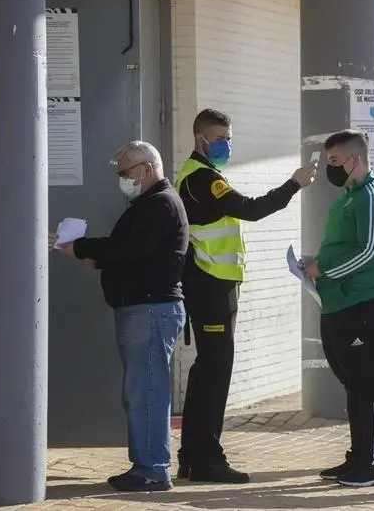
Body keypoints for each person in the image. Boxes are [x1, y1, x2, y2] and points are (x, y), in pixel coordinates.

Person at [174, 108, 317, 483]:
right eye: (219, 138)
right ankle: (206, 460)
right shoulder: (203, 179)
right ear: (199, 139)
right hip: (211, 287)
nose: (226, 144)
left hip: (212, 286)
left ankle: (192, 457)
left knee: (206, 372)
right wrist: (294, 183)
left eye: (228, 137)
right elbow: (250, 210)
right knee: (214, 374)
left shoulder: (199, 175)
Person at [51, 141, 189, 492]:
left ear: (146, 169)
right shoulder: (150, 204)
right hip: (144, 309)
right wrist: (98, 257)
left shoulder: (159, 204)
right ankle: (146, 465)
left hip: (150, 310)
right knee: (141, 391)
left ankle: (154, 469)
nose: (122, 178)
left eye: (125, 172)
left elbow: (131, 248)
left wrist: (83, 247)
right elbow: (136, 253)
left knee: (147, 392)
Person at [302, 130, 374, 488]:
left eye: (334, 162)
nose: (330, 169)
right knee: (355, 385)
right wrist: (316, 262)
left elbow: (371, 252)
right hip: (341, 303)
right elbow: (344, 248)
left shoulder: (373, 198)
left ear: (354, 160)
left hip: (369, 304)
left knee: (370, 383)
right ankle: (358, 458)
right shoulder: (349, 197)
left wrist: (323, 269)